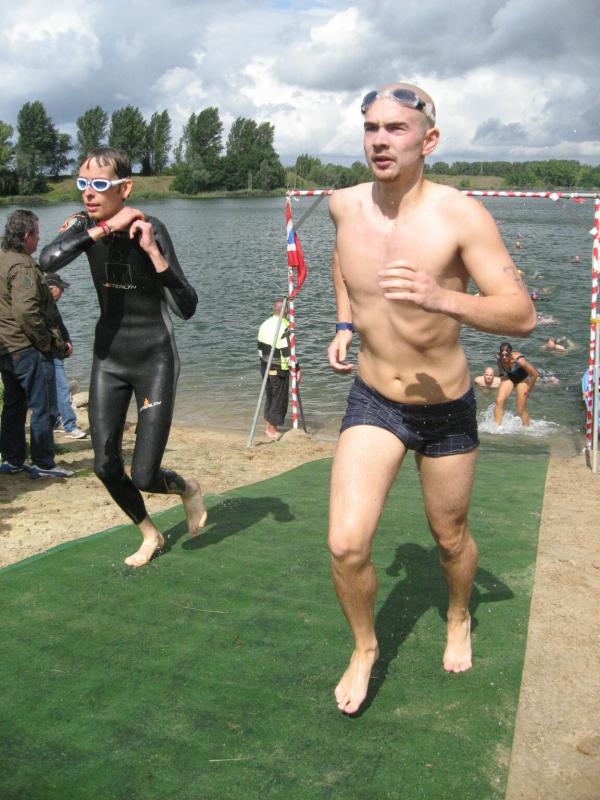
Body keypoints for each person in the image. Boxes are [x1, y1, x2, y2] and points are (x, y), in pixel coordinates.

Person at [326, 82, 535, 715]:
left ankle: (458, 612)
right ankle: (364, 647)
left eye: (396, 128)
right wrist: (343, 322)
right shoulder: (343, 205)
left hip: (446, 408)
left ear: (429, 140)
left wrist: (441, 296)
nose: (380, 140)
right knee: (346, 544)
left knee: (449, 539)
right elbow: (343, 260)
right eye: (371, 128)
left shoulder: (461, 216)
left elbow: (521, 314)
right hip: (374, 399)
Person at [39, 146, 206, 567]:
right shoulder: (84, 225)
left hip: (154, 357)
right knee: (105, 465)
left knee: (146, 475)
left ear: (125, 188)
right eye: (82, 183)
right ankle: (150, 533)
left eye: (99, 184)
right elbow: (47, 259)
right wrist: (105, 227)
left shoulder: (152, 227)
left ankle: (187, 488)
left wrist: (153, 253)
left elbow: (187, 306)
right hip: (108, 358)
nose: (88, 192)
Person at [0, 210, 74, 479]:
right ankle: (43, 463)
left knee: (13, 404)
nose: (39, 238)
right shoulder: (23, 266)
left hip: (6, 348)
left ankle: (13, 460)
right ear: (26, 235)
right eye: (37, 233)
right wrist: (46, 343)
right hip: (26, 347)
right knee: (42, 406)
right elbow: (26, 311)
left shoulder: (3, 259)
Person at [44, 273, 87, 439]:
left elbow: (60, 327)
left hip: (53, 351)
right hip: (51, 352)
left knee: (52, 389)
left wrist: (67, 342)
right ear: (51, 289)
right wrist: (64, 346)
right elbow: (51, 331)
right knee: (63, 389)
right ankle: (69, 426)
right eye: (60, 289)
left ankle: (55, 421)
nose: (62, 292)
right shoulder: (45, 306)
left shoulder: (49, 304)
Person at [257, 299, 293, 439]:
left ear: (274, 310)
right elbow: (286, 351)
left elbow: (259, 348)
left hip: (265, 366)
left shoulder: (264, 324)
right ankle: (272, 430)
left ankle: (268, 427)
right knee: (279, 398)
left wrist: (264, 364)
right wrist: (295, 367)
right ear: (286, 311)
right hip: (278, 369)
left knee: (270, 396)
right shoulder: (284, 325)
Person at [494, 342, 539, 426]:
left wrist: (529, 390)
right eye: (502, 355)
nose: (504, 357)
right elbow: (500, 368)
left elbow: (535, 374)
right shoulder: (499, 357)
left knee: (520, 409)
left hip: (522, 380)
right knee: (499, 401)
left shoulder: (520, 360)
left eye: (506, 355)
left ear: (510, 353)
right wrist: (501, 377)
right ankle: (496, 428)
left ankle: (527, 429)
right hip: (510, 378)